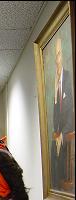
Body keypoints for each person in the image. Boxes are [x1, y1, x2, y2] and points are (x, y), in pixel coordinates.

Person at [51, 37, 75, 191]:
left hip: (68, 133)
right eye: (55, 55)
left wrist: (64, 133)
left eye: (59, 54)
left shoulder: (69, 78)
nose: (56, 59)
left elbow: (71, 108)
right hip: (59, 133)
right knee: (55, 160)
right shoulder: (55, 82)